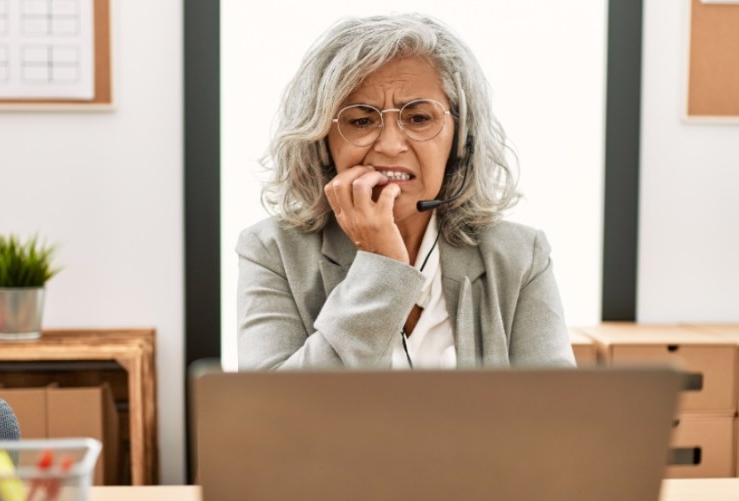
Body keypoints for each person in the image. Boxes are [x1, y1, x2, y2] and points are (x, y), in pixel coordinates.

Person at [236, 13, 575, 370]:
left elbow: (560, 415)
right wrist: (381, 271)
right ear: (322, 143)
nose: (391, 144)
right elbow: (271, 414)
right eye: (362, 120)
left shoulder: (521, 257)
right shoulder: (272, 251)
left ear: (460, 139)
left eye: (418, 118)